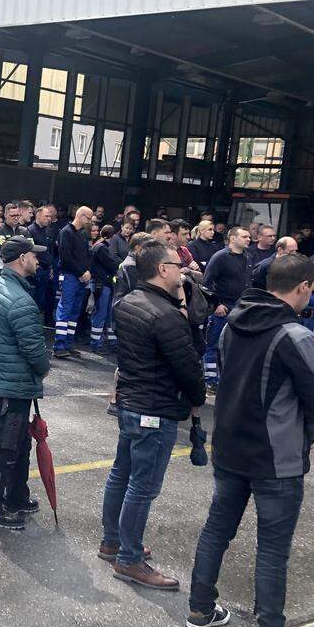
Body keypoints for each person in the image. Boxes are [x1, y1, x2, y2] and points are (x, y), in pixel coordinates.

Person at [187, 253, 314, 627]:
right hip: (276, 460)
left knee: (217, 529)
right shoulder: (297, 336)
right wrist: (305, 440)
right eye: (311, 290)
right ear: (303, 287)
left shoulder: (232, 325)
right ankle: (270, 626)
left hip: (230, 448)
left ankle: (200, 608)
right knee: (272, 549)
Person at [102, 240, 207, 590]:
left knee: (122, 474)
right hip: (155, 408)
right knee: (142, 487)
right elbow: (189, 367)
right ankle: (129, 560)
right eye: (178, 265)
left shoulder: (128, 302)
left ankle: (114, 541)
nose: (184, 270)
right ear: (163, 270)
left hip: (131, 402)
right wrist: (196, 399)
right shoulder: (166, 317)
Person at [0, 236, 49, 530]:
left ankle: (15, 494)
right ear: (21, 258)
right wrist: (43, 368)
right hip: (10, 383)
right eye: (34, 255)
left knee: (17, 442)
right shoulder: (19, 300)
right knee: (6, 444)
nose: (38, 260)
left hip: (3, 379)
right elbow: (34, 351)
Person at [202, 227, 253, 388]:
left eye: (249, 237)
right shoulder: (220, 257)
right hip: (222, 308)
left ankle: (227, 379)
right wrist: (216, 304)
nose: (248, 239)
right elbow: (206, 284)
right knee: (214, 344)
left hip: (241, 308)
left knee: (235, 345)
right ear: (232, 238)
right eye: (244, 236)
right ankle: (210, 381)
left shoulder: (248, 257)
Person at [54, 206, 93, 357]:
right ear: (81, 216)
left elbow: (88, 255)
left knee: (75, 311)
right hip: (70, 276)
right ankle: (59, 346)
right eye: (88, 218)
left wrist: (87, 271)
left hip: (81, 277)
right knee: (65, 309)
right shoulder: (66, 232)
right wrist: (82, 272)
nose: (90, 222)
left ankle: (68, 344)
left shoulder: (83, 234)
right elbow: (66, 257)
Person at [90, 225, 122, 351]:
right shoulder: (102, 248)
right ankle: (96, 344)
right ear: (112, 236)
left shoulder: (99, 246)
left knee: (105, 313)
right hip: (103, 283)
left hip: (103, 283)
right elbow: (111, 264)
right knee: (102, 313)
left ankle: (104, 342)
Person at [28, 204, 58, 326]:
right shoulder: (30, 230)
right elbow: (29, 251)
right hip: (36, 269)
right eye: (46, 216)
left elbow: (49, 250)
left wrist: (51, 267)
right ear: (38, 216)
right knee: (33, 298)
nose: (49, 219)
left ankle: (37, 324)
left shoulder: (48, 231)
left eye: (50, 217)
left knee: (42, 299)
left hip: (47, 269)